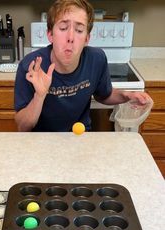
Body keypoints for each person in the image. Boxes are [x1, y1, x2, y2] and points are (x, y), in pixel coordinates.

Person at [14, 0, 151, 132]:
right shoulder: (31, 67)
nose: (71, 37)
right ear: (50, 35)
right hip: (42, 141)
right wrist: (39, 96)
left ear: (87, 39)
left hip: (80, 137)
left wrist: (127, 95)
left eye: (79, 30)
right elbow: (23, 127)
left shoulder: (96, 59)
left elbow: (104, 95)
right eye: (63, 28)